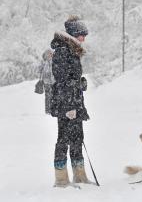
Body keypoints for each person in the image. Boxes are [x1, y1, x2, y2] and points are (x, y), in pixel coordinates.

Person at [50, 15, 90, 187]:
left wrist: (80, 83)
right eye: (81, 34)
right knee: (64, 140)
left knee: (77, 138)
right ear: (73, 34)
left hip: (74, 101)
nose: (83, 38)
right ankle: (61, 179)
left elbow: (71, 79)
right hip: (66, 103)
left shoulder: (72, 51)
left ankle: (80, 176)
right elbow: (61, 81)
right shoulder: (62, 51)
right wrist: (69, 107)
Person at [38, 49, 55, 114]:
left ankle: (54, 109)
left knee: (54, 95)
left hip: (54, 81)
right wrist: (41, 79)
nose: (48, 55)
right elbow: (39, 70)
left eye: (50, 54)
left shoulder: (54, 61)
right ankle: (48, 110)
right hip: (46, 82)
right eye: (47, 54)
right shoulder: (43, 62)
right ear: (45, 55)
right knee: (48, 96)